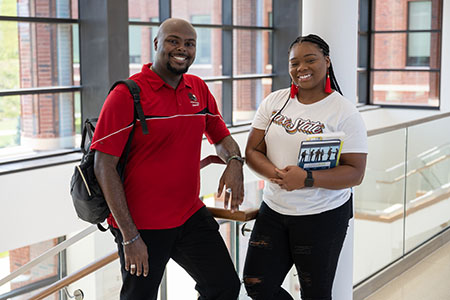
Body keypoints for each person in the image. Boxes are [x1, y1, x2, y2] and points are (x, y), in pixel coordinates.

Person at [92, 18, 243, 300]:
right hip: (142, 226)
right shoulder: (126, 94)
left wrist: (235, 162)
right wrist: (130, 236)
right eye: (173, 41)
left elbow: (221, 138)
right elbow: (104, 166)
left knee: (224, 286)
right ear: (156, 44)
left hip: (189, 215)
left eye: (189, 43)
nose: (181, 49)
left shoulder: (198, 88)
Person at [243, 34, 368, 300]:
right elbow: (252, 151)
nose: (301, 68)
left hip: (322, 216)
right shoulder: (274, 101)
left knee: (315, 293)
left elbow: (355, 172)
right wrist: (277, 175)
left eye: (310, 60)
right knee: (256, 283)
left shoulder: (344, 112)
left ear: (327, 61)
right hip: (274, 210)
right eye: (294, 62)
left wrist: (307, 179)